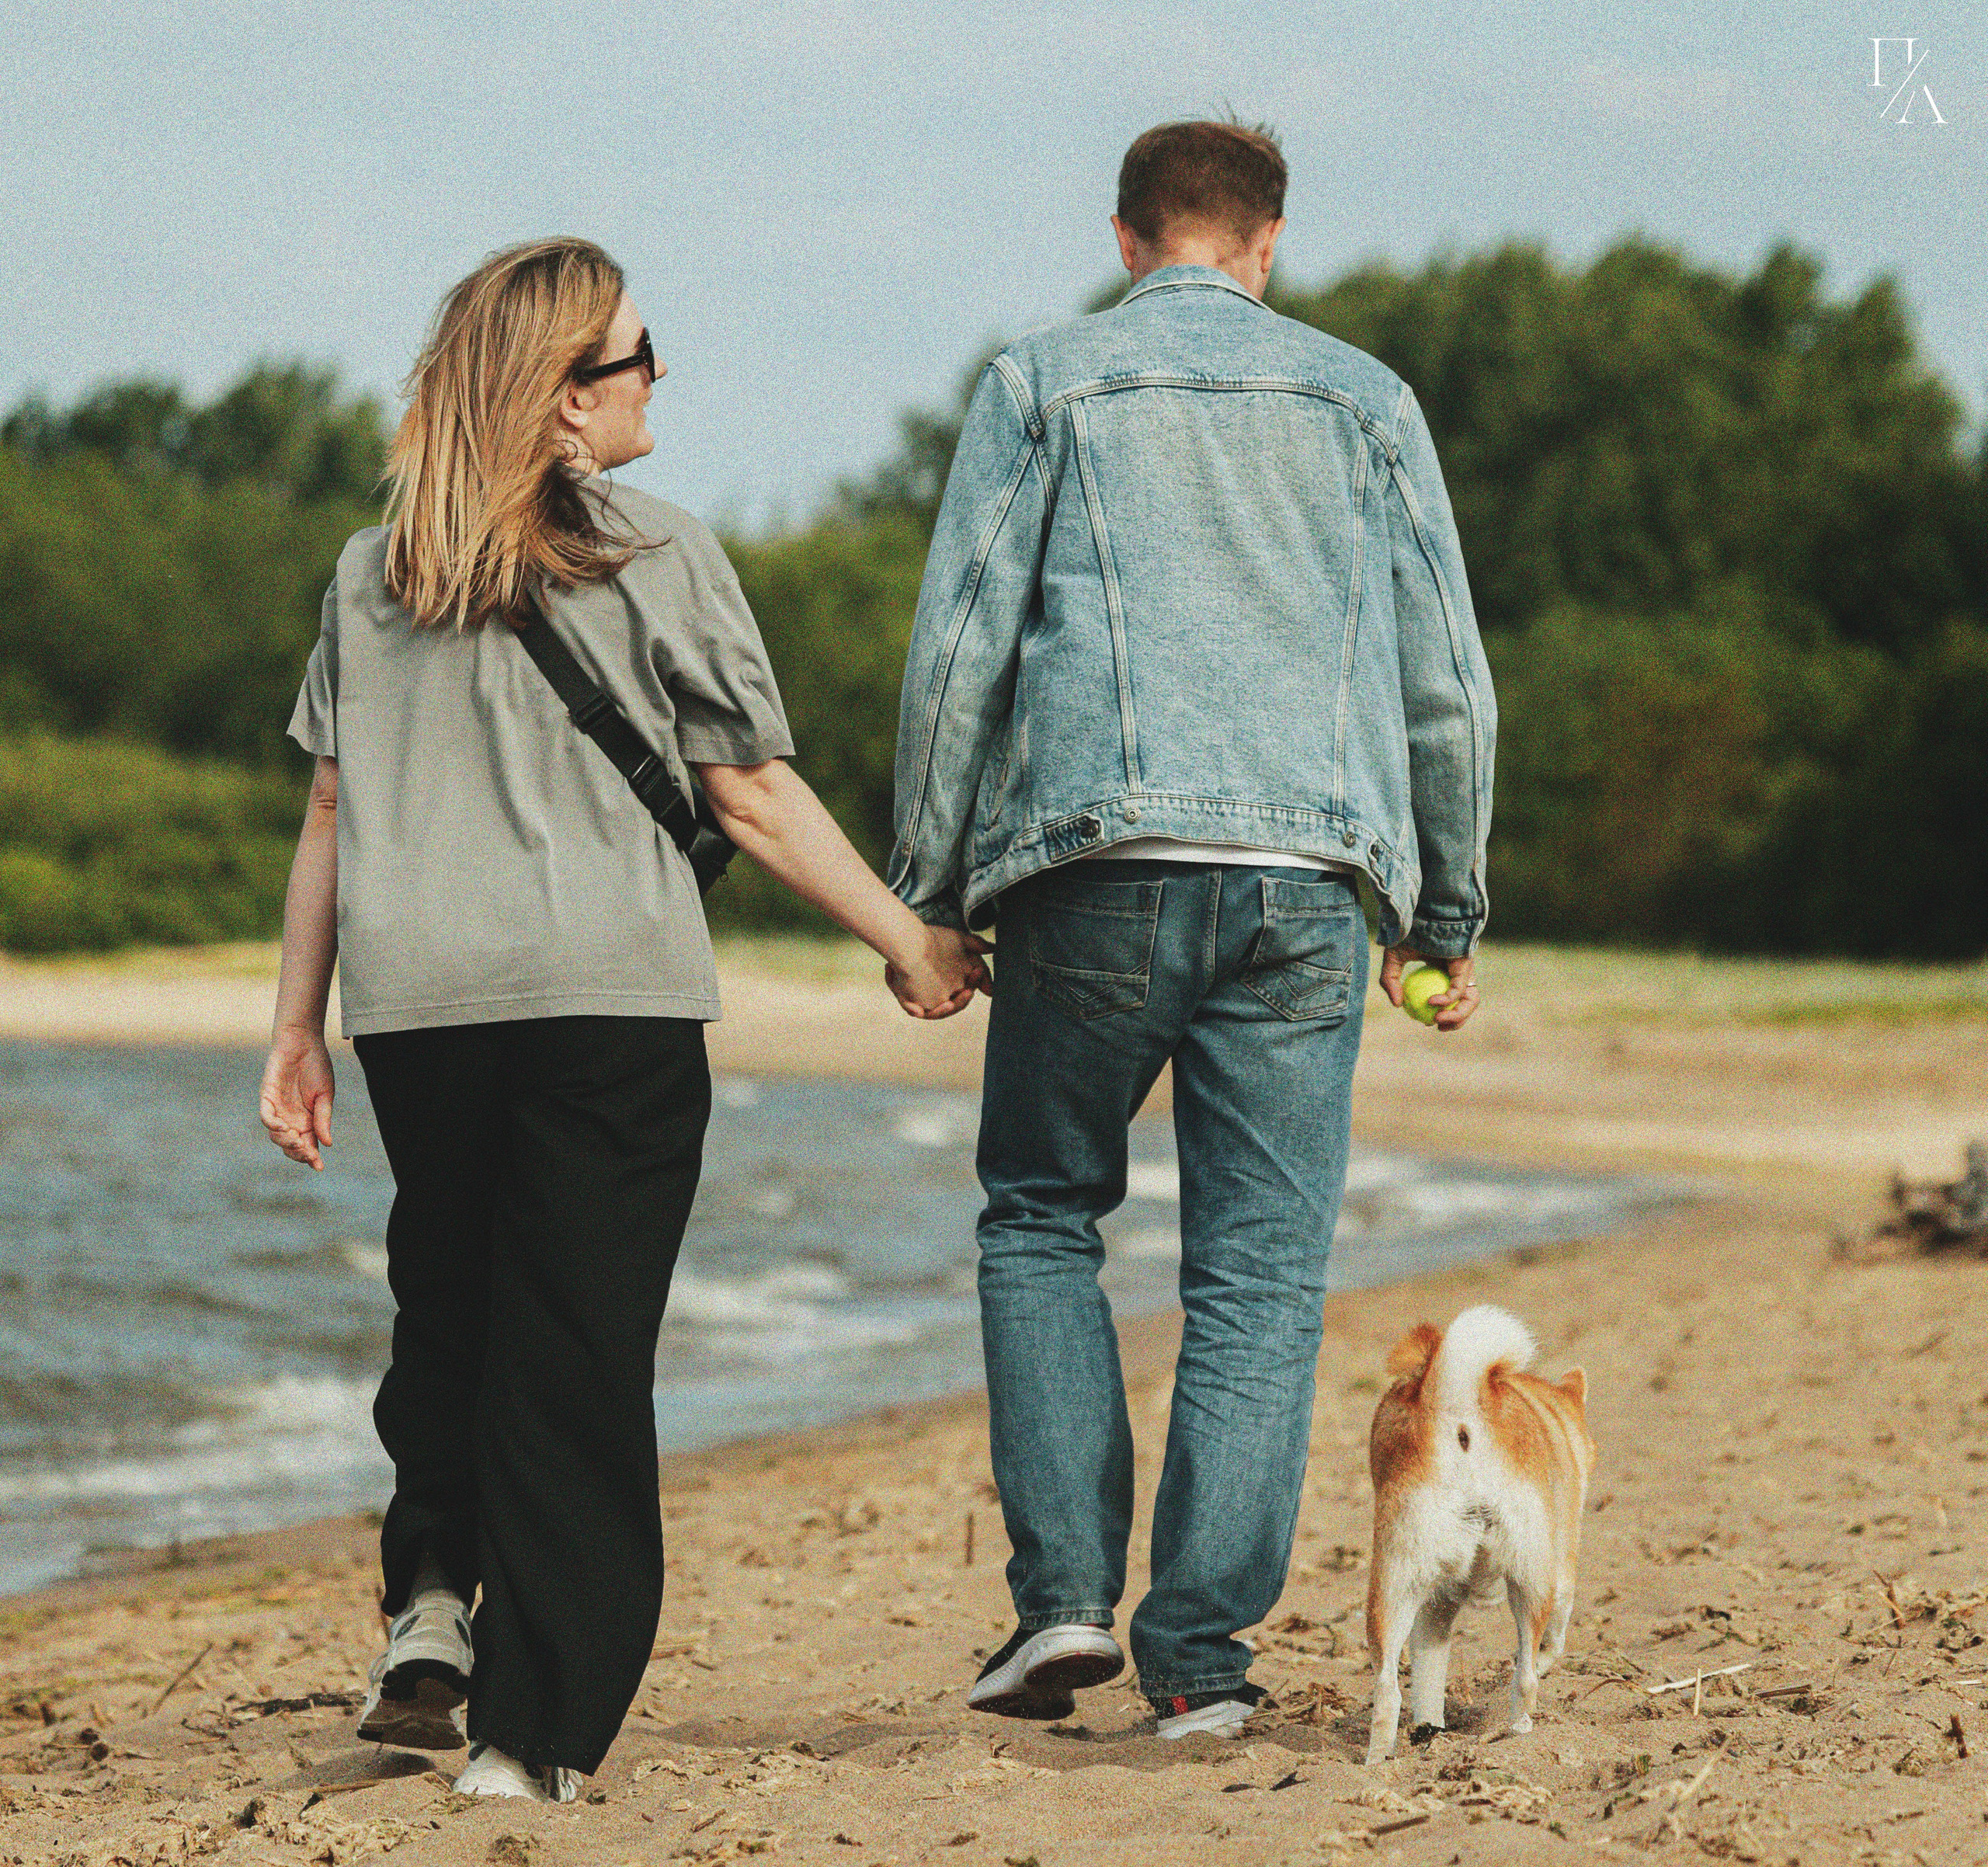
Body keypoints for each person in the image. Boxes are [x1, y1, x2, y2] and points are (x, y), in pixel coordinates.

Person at [259, 237, 985, 1803]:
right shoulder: (658, 552)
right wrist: (910, 939)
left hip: (422, 1012)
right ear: (563, 401)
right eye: (638, 355)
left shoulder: (370, 568)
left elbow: (329, 810)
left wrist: (294, 1028)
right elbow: (752, 796)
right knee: (574, 1352)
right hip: (608, 1004)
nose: (661, 377)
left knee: (450, 1305)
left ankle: (431, 1606)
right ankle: (533, 1734)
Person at [888, 121, 1495, 1740]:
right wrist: (1441, 906)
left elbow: (959, 655)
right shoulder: (1365, 399)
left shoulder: (1040, 382)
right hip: (1306, 887)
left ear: (1125, 233)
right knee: (1255, 1274)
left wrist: (923, 892)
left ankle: (1064, 1605)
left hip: (1089, 865)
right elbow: (1445, 674)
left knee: (1036, 1213)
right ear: (1267, 243)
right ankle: (1201, 1672)